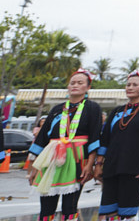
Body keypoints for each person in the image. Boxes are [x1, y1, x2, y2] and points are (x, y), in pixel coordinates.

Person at [28, 69, 103, 221]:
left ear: (88, 87)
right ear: (68, 87)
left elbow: (94, 137)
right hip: (51, 158)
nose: (75, 85)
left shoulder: (92, 108)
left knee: (70, 205)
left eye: (80, 83)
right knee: (46, 205)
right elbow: (42, 138)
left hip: (77, 159)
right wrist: (34, 168)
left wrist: (90, 165)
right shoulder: (57, 110)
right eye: (72, 83)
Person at [96, 71, 139, 220]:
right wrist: (99, 164)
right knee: (109, 210)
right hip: (112, 166)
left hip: (134, 167)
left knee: (127, 211)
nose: (130, 87)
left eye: (135, 85)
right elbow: (105, 140)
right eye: (128, 84)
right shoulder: (117, 111)